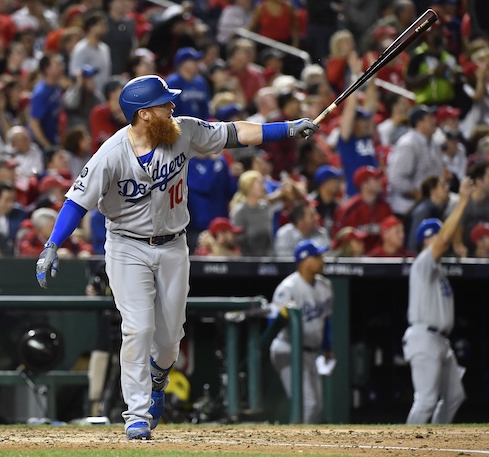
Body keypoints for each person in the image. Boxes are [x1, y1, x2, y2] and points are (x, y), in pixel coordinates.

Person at [35, 74, 319, 439]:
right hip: (126, 246)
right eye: (164, 104)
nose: (172, 107)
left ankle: (158, 377)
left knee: (169, 340)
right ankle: (136, 415)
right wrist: (53, 244)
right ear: (143, 114)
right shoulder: (110, 154)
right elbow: (76, 202)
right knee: (137, 328)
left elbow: (233, 133)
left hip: (173, 244)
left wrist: (287, 129)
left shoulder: (182, 131)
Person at [402, 176, 473, 424]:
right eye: (438, 235)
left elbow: (445, 242)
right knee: (426, 400)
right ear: (428, 239)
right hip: (424, 338)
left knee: (454, 396)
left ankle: (435, 443)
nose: (443, 240)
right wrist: (462, 201)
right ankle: (406, 449)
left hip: (441, 340)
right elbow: (442, 242)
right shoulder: (423, 263)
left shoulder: (438, 270)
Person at [269, 240, 333, 424]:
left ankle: (304, 447)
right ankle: (295, 446)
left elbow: (326, 320)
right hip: (288, 349)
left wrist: (327, 347)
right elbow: (272, 322)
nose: (322, 260)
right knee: (308, 403)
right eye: (318, 256)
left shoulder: (325, 286)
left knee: (317, 405)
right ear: (305, 260)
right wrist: (282, 315)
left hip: (311, 352)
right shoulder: (288, 288)